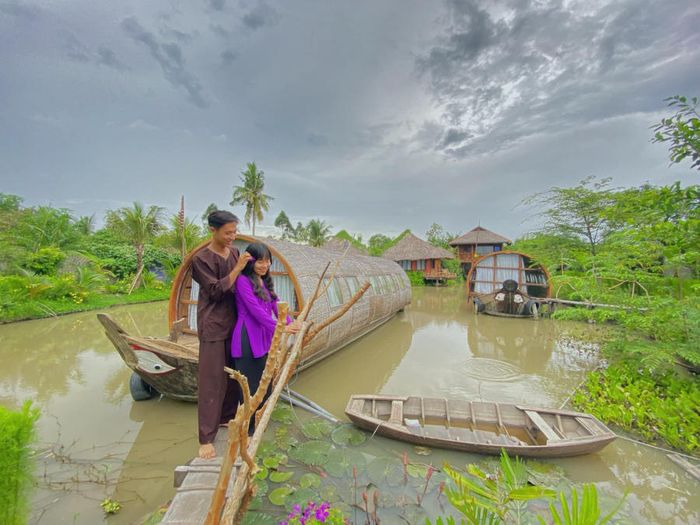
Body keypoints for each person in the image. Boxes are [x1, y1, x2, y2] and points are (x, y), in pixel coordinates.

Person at [191, 210, 251, 460]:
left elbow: (242, 286)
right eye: (228, 232)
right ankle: (205, 437)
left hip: (233, 323)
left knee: (232, 377)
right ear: (212, 230)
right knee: (211, 381)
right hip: (213, 326)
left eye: (235, 232)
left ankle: (226, 418)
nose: (232, 237)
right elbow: (215, 291)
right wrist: (238, 268)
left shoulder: (234, 252)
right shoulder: (201, 259)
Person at [231, 242, 301, 434]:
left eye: (267, 261)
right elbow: (255, 312)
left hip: (263, 336)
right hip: (247, 336)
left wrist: (291, 322)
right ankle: (248, 428)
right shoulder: (243, 281)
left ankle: (260, 420)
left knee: (265, 380)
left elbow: (277, 306)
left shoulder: (265, 281)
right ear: (250, 262)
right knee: (250, 386)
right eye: (259, 261)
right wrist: (283, 327)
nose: (264, 265)